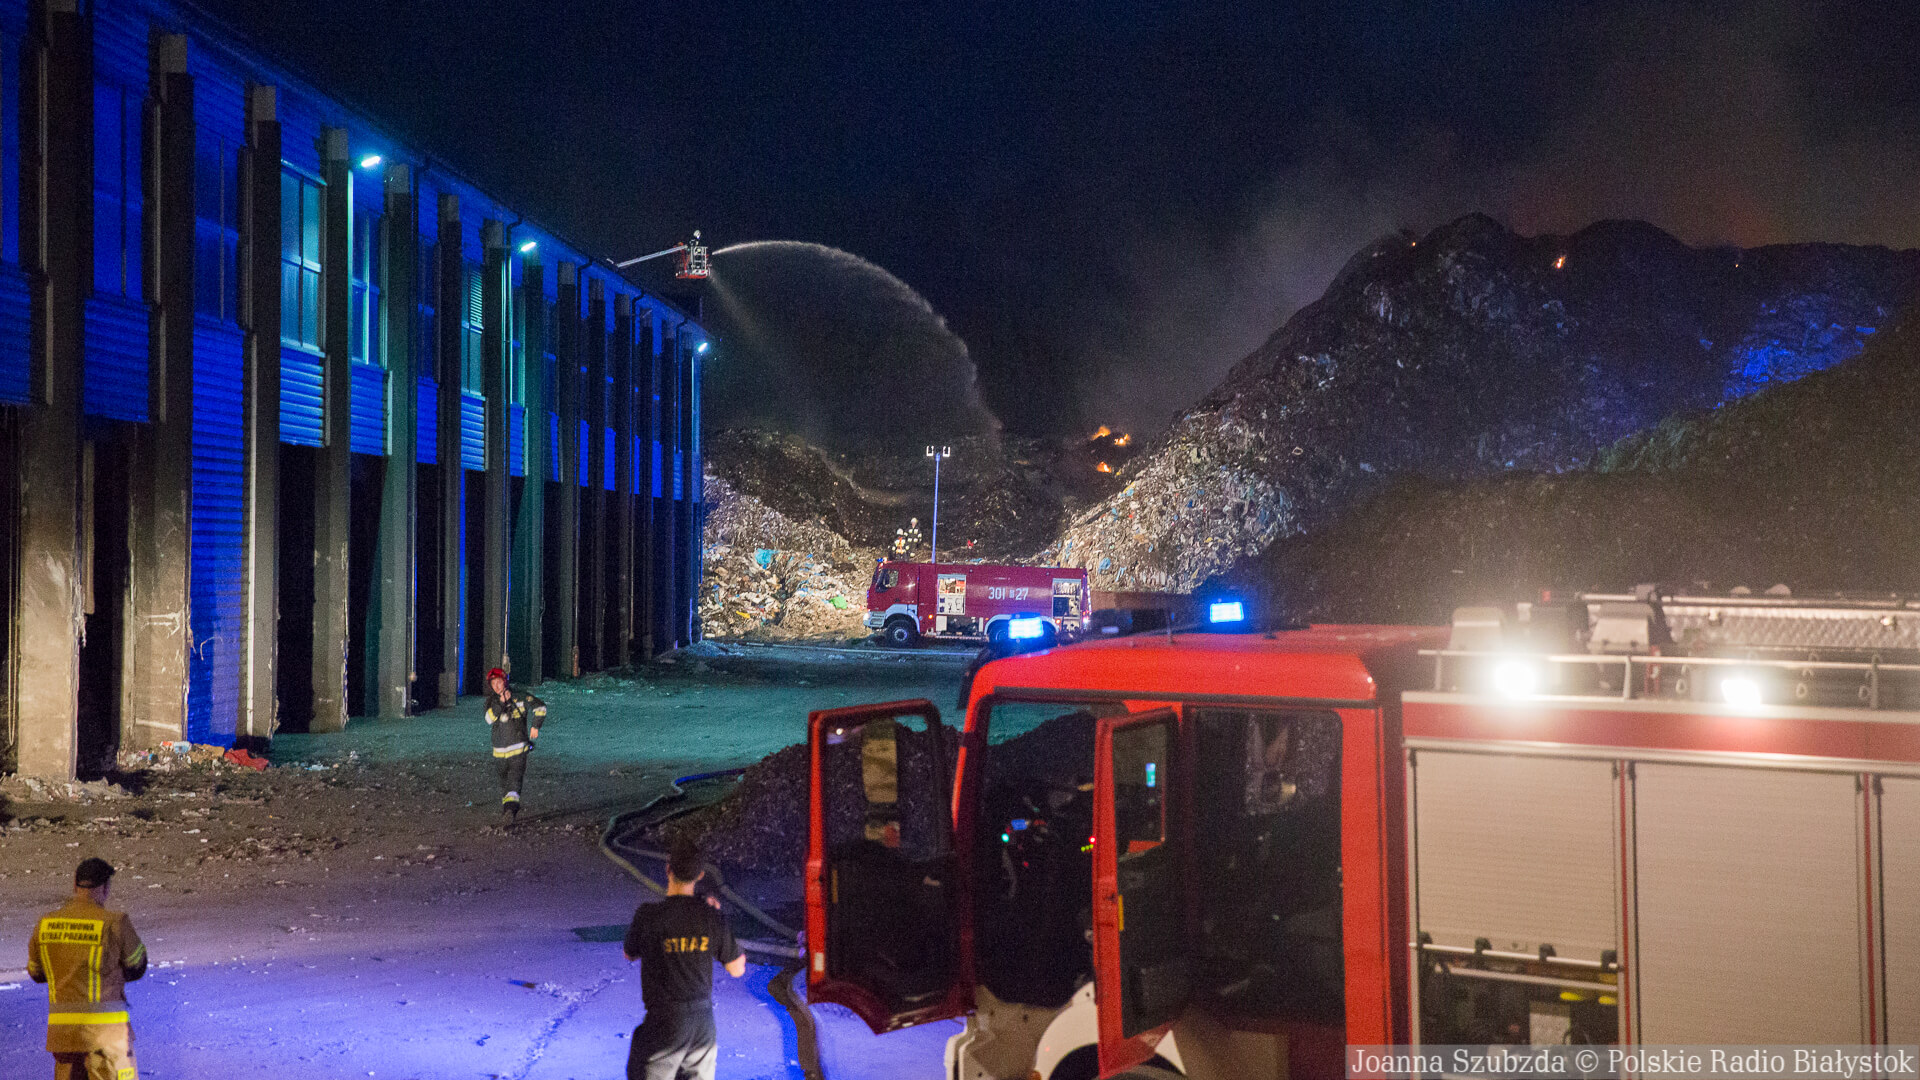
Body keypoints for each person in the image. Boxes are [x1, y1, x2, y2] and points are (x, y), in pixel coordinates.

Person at [621, 840, 746, 1080]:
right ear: (700, 875)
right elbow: (737, 968)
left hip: (664, 1024)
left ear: (668, 870)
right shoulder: (711, 915)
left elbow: (630, 952)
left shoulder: (648, 916)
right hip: (702, 1026)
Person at [27, 857, 148, 1080]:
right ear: (106, 887)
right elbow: (137, 966)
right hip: (107, 1036)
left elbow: (36, 973)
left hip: (63, 1036)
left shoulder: (45, 923)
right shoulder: (114, 922)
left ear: (75, 884)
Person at [483, 666, 547, 825]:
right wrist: (500, 704)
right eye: (494, 684)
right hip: (499, 753)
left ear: (505, 681)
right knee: (505, 784)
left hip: (518, 749)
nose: (497, 686)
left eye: (499, 682)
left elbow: (541, 707)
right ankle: (508, 808)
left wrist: (535, 726)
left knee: (515, 780)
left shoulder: (520, 696)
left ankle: (511, 811)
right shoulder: (491, 701)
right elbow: (489, 719)